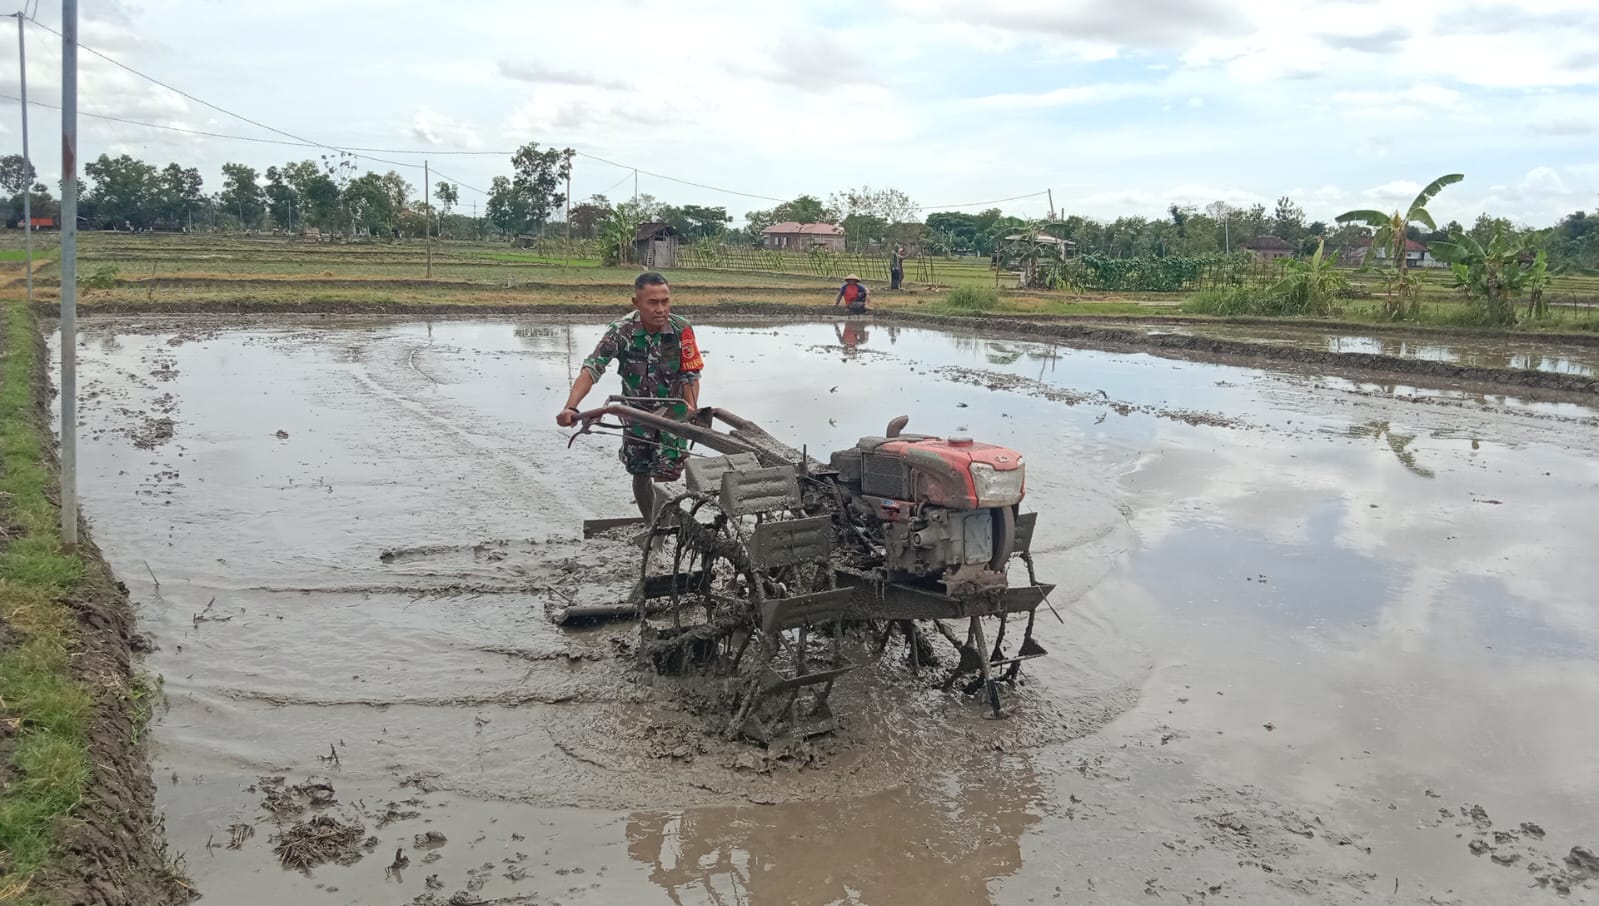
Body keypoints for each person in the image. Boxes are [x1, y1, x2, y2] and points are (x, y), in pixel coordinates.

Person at [556, 272, 704, 522]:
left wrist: (691, 409)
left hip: (673, 413)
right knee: (640, 471)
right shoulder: (621, 331)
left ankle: (660, 532)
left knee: (666, 474)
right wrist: (571, 406)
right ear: (636, 303)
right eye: (653, 302)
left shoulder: (681, 329)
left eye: (665, 301)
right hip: (636, 414)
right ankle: (651, 524)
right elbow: (592, 368)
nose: (661, 309)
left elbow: (690, 374)